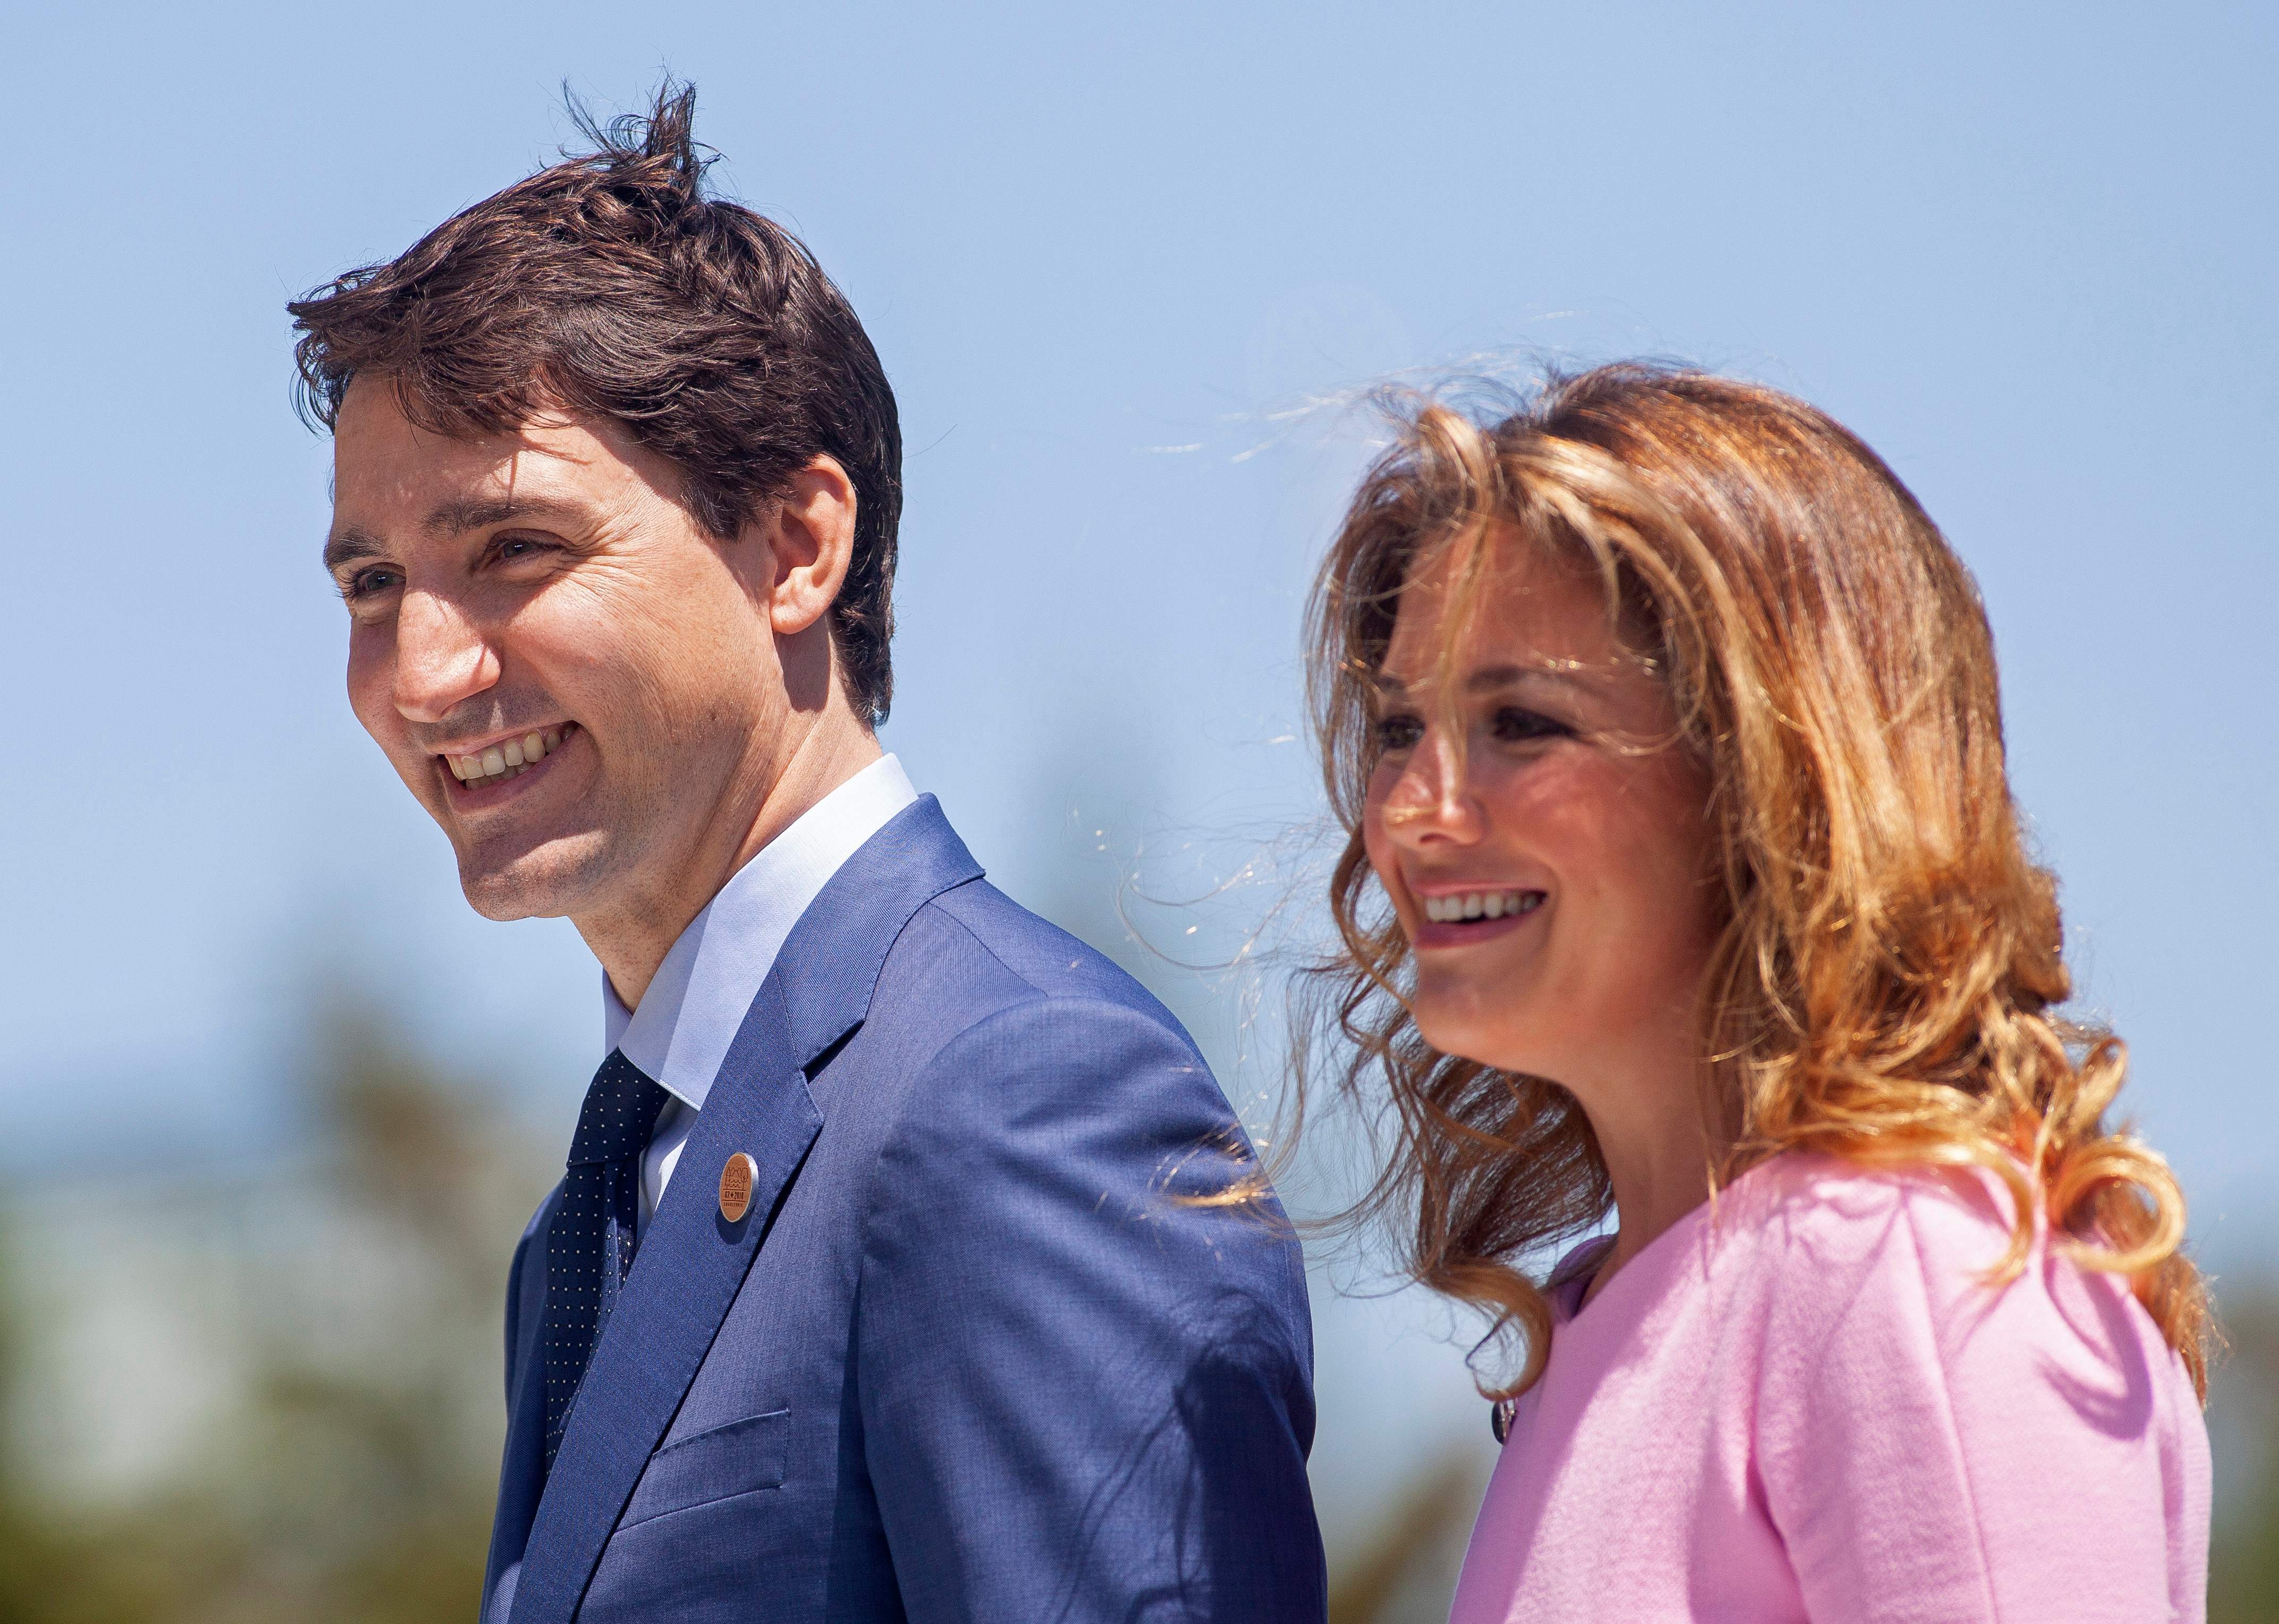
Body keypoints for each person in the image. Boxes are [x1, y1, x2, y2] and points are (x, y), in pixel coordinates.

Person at [290, 84, 1324, 1624]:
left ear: (796, 548)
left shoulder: (1013, 1096)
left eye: (514, 549)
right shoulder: (584, 1233)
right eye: (374, 584)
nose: (423, 672)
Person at [1296, 364, 2212, 1620]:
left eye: (1519, 723)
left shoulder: (1910, 1276)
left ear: (1770, 776)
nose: (1410, 813)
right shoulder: (1613, 1313)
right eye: (1399, 731)